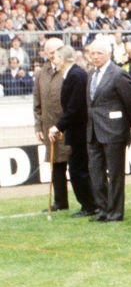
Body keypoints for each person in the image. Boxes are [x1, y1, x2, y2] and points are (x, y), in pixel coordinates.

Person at [84, 36, 131, 222]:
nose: (95, 56)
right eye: (92, 53)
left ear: (108, 53)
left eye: (99, 53)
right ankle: (102, 209)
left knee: (115, 175)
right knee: (96, 173)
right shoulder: (91, 74)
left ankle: (115, 212)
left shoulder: (118, 74)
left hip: (114, 131)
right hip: (93, 131)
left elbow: (130, 102)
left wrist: (129, 126)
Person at [49, 46, 98, 217]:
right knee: (78, 168)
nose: (53, 60)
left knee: (79, 169)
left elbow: (75, 107)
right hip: (76, 130)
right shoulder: (71, 75)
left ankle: (90, 205)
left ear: (63, 59)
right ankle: (90, 204)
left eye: (55, 57)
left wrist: (59, 126)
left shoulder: (76, 75)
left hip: (80, 131)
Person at [34, 38, 72, 212]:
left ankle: (91, 202)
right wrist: (38, 127)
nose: (53, 55)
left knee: (77, 164)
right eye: (50, 52)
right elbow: (37, 103)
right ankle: (60, 202)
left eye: (56, 51)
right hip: (49, 127)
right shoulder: (41, 73)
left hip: (69, 126)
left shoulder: (69, 72)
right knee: (56, 165)